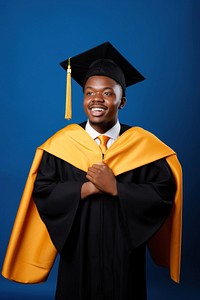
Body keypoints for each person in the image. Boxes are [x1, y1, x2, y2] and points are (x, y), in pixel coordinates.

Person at [2, 42, 182, 300]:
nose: (96, 99)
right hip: (78, 254)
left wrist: (117, 189)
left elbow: (162, 194)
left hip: (125, 258)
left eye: (108, 93)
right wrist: (83, 189)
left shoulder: (145, 148)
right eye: (89, 93)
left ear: (122, 101)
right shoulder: (60, 146)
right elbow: (42, 191)